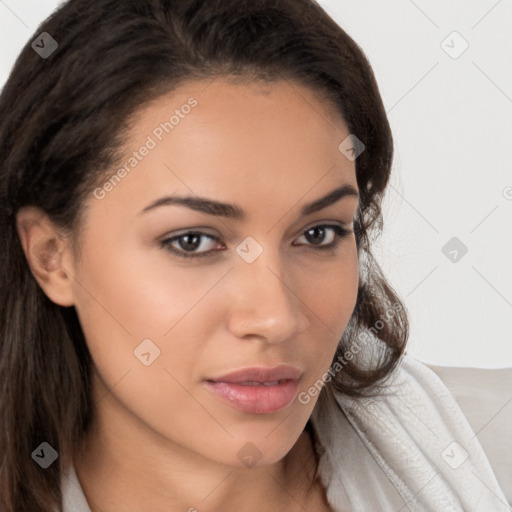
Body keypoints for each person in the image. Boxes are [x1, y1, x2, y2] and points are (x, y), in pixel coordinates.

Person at [0, 1, 508, 511]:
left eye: (319, 233)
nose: (276, 318)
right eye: (192, 241)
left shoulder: (485, 452)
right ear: (52, 256)